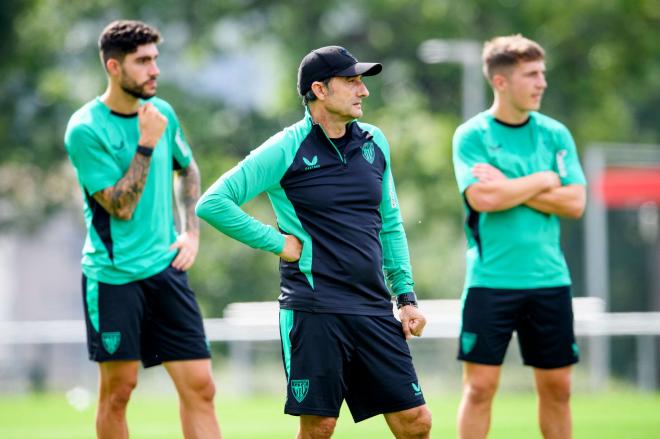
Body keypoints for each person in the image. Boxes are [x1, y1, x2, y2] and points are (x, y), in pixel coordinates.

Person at [196, 46, 432, 439]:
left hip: (373, 307)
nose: (364, 91)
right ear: (320, 90)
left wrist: (405, 298)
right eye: (352, 81)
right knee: (320, 427)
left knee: (416, 423)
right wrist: (277, 242)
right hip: (314, 308)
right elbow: (213, 203)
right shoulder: (286, 147)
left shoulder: (376, 142)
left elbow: (390, 225)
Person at [64, 20, 221, 439]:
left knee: (202, 388)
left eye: (155, 59)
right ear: (114, 67)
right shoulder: (85, 128)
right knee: (119, 391)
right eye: (143, 61)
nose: (155, 69)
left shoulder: (163, 111)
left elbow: (188, 168)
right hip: (113, 277)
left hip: (165, 270)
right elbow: (121, 207)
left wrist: (191, 232)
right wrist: (146, 142)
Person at [452, 34, 587, 439]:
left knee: (559, 389)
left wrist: (512, 185)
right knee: (479, 389)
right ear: (501, 81)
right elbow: (484, 197)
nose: (541, 82)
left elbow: (576, 202)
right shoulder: (471, 135)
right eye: (531, 74)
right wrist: (546, 180)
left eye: (542, 73)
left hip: (549, 281)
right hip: (490, 282)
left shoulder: (556, 134)